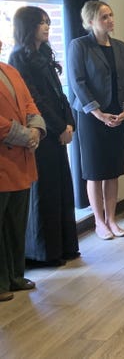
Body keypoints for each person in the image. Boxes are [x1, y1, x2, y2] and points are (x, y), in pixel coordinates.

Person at [8, 7, 79, 267]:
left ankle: (64, 246)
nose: (47, 27)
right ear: (28, 27)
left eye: (48, 22)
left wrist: (70, 122)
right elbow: (33, 99)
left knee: (61, 188)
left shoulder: (44, 54)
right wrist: (59, 126)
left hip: (57, 128)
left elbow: (59, 94)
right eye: (41, 23)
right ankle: (45, 252)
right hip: (42, 131)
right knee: (45, 191)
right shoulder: (18, 57)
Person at [67, 0, 124, 239]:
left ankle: (112, 219)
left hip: (118, 114)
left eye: (111, 15)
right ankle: (99, 222)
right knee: (95, 171)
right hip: (91, 117)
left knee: (113, 170)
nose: (110, 20)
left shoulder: (120, 46)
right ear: (90, 21)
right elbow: (78, 82)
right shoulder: (80, 46)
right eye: (104, 17)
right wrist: (98, 113)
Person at [1, 39, 46, 302]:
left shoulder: (10, 70)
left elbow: (29, 103)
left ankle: (16, 276)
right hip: (4, 159)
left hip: (21, 161)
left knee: (16, 224)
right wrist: (23, 135)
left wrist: (36, 129)